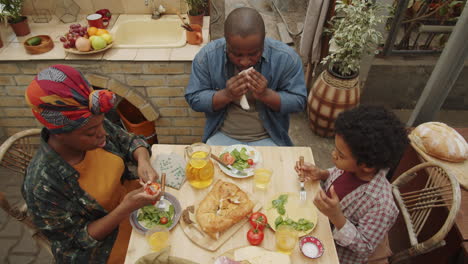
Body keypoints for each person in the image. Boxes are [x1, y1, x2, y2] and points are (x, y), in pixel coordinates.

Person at [22, 65, 161, 263]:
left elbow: (129, 141)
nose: (102, 134)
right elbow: (77, 242)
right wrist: (124, 208)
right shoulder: (42, 185)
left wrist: (143, 160)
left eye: (101, 124)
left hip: (132, 206)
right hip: (105, 245)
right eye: (90, 133)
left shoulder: (91, 122)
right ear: (59, 133)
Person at [296, 105, 409, 264]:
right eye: (335, 148)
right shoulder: (351, 168)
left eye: (340, 155)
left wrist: (336, 216)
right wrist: (321, 173)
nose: (333, 154)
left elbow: (364, 247)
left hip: (335, 252)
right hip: (319, 221)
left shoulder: (381, 205)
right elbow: (335, 174)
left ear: (367, 166)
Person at [185, 7, 307, 146]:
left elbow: (299, 102)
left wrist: (266, 95)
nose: (244, 62)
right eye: (236, 54)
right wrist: (227, 94)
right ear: (226, 42)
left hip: (270, 137)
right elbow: (194, 98)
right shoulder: (207, 57)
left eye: (253, 54)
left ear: (263, 40)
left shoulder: (286, 58)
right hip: (221, 134)